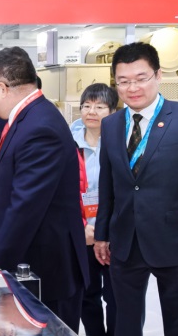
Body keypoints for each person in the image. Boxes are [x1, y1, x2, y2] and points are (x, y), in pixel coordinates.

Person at [0, 46, 88, 332]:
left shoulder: (39, 128)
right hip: (32, 261)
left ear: (1, 88)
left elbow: (25, 208)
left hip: (46, 267)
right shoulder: (28, 116)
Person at [94, 42, 178, 336]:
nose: (132, 88)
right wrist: (102, 234)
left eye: (141, 78)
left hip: (176, 240)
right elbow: (108, 184)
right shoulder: (111, 124)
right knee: (124, 323)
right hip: (125, 242)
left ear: (158, 75)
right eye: (123, 81)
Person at [70, 83, 117, 336]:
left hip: (114, 233)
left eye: (100, 107)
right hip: (83, 231)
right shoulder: (68, 142)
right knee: (87, 295)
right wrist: (81, 227)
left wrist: (106, 231)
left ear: (112, 111)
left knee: (116, 296)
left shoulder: (121, 143)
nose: (91, 112)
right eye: (86, 106)